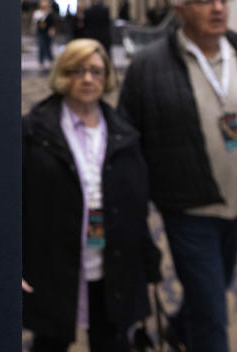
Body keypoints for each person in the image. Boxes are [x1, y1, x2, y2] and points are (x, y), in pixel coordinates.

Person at [118, 0, 237, 352]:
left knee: (212, 291)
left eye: (222, 0)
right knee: (213, 312)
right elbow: (127, 143)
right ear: (180, 10)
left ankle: (181, 328)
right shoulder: (149, 67)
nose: (218, 8)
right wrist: (128, 212)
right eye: (205, 2)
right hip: (187, 205)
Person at [23, 39, 162, 352]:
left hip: (112, 261)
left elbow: (136, 208)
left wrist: (149, 266)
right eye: (78, 71)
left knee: (112, 340)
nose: (88, 79)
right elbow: (12, 204)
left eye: (96, 71)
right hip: (53, 262)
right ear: (63, 75)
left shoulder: (125, 132)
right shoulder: (33, 132)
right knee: (49, 343)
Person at [31, 0, 57, 68]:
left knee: (48, 46)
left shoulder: (50, 13)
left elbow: (52, 23)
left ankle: (51, 60)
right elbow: (36, 22)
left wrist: (52, 29)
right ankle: (41, 61)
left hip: (48, 32)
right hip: (40, 32)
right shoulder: (37, 13)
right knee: (41, 46)